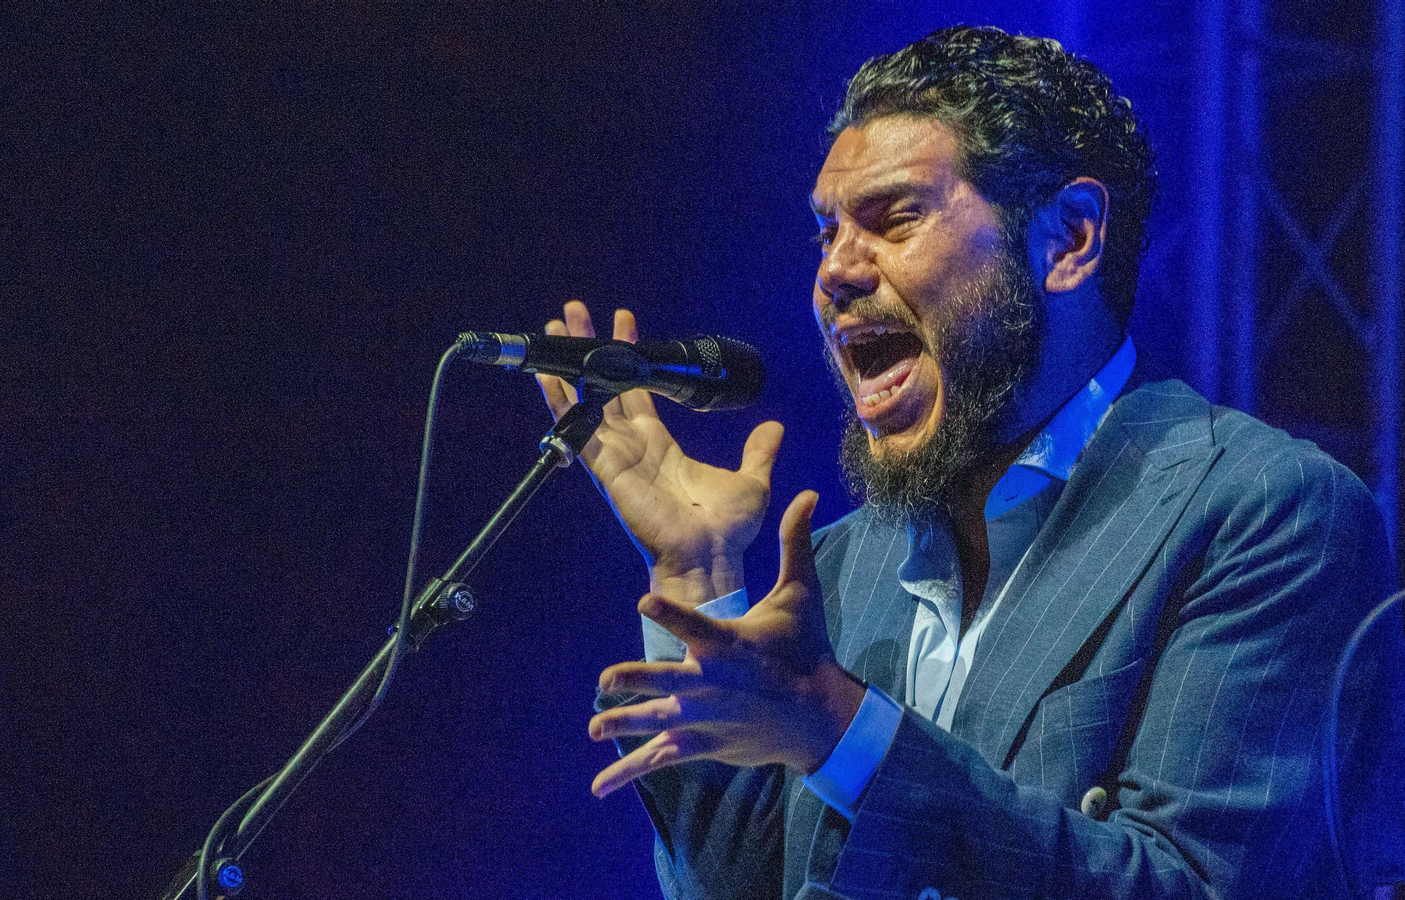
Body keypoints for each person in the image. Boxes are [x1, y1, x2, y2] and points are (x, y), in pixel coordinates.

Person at [537, 25, 1404, 900]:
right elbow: (741, 889)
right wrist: (696, 572)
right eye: (826, 230)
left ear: (1068, 239)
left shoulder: (1266, 513)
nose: (834, 269)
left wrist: (846, 733)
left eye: (894, 218)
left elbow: (1198, 886)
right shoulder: (842, 565)